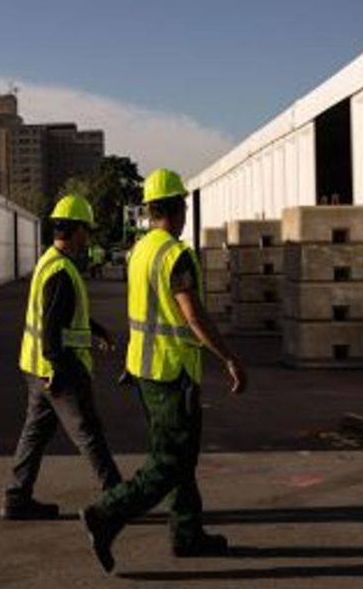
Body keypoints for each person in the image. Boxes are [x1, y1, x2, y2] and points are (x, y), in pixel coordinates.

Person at [78, 168, 249, 573]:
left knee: (178, 456)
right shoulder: (174, 255)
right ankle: (105, 514)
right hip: (171, 373)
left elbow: (141, 311)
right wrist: (228, 357)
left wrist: (131, 363)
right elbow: (191, 315)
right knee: (170, 462)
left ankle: (187, 534)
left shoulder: (139, 251)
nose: (187, 213)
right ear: (176, 209)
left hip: (145, 371)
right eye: (185, 206)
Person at [1, 194, 123, 520]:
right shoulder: (62, 272)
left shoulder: (50, 261)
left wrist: (96, 330)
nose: (89, 237)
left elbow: (61, 316)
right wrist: (57, 367)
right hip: (58, 368)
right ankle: (119, 497)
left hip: (35, 367)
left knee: (35, 432)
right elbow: (52, 326)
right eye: (87, 229)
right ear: (75, 230)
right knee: (88, 431)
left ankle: (16, 497)